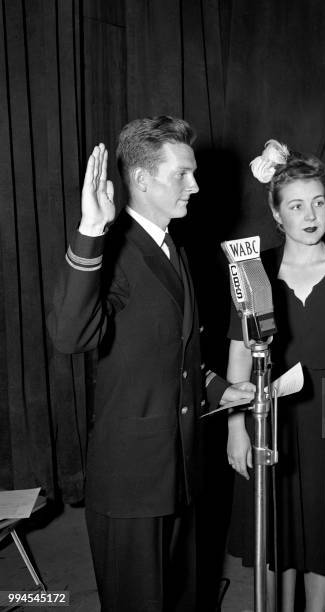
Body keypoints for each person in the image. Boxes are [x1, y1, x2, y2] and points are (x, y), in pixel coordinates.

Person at [49, 116, 254, 612]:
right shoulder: (112, 248)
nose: (196, 185)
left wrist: (216, 389)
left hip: (179, 470)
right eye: (182, 174)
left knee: (180, 597)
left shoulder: (172, 248)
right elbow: (70, 336)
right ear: (142, 179)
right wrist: (90, 229)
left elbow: (175, 355)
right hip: (131, 479)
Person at [226, 140, 325, 612]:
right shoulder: (255, 270)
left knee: (324, 530)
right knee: (278, 532)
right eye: (296, 205)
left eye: (317, 203)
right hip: (271, 413)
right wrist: (236, 427)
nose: (310, 215)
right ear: (277, 214)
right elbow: (237, 351)